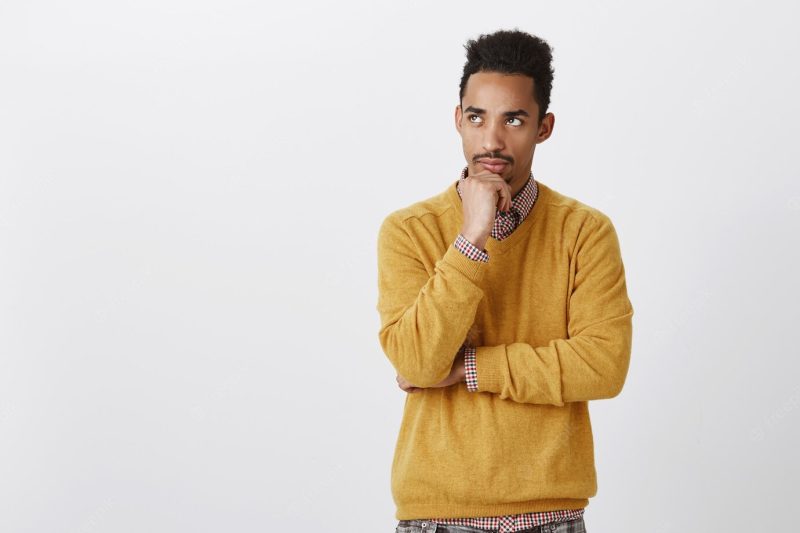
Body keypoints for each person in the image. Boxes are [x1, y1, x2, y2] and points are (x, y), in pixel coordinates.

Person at [375, 29, 634, 533]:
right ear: (458, 120)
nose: (492, 140)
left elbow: (603, 365)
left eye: (513, 119)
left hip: (551, 516)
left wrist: (470, 368)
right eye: (477, 117)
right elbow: (418, 362)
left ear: (543, 127)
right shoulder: (409, 231)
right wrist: (472, 237)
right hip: (437, 518)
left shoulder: (584, 232)